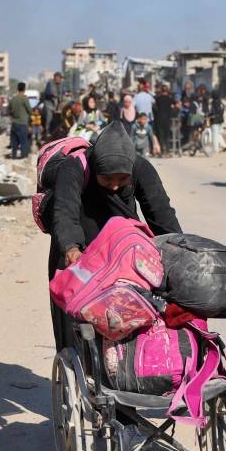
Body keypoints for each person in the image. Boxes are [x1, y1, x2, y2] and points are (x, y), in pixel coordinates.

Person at [48, 124, 182, 351]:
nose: (115, 186)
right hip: (81, 249)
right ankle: (77, 366)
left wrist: (178, 251)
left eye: (122, 180)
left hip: (123, 249)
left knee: (131, 317)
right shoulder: (73, 168)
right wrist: (71, 248)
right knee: (77, 323)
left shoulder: (140, 167)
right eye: (107, 179)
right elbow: (64, 212)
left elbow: (161, 214)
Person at [8, 82, 32, 159]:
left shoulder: (13, 99)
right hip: (23, 123)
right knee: (23, 142)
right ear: (24, 89)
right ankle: (23, 157)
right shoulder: (24, 99)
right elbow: (30, 111)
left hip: (14, 123)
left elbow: (9, 110)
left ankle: (14, 156)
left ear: (17, 88)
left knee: (14, 143)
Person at [152, 84, 177, 154]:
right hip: (167, 119)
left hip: (159, 118)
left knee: (161, 135)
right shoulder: (170, 99)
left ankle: (162, 151)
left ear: (161, 91)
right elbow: (177, 105)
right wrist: (172, 109)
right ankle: (168, 151)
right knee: (167, 135)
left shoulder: (158, 98)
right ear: (167, 91)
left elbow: (154, 108)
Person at [43, 72, 63, 137]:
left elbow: (62, 93)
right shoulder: (50, 83)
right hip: (49, 105)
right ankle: (47, 131)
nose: (60, 79)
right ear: (56, 77)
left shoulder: (60, 85)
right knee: (50, 117)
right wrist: (52, 94)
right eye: (59, 78)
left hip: (57, 105)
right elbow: (47, 92)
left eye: (61, 78)